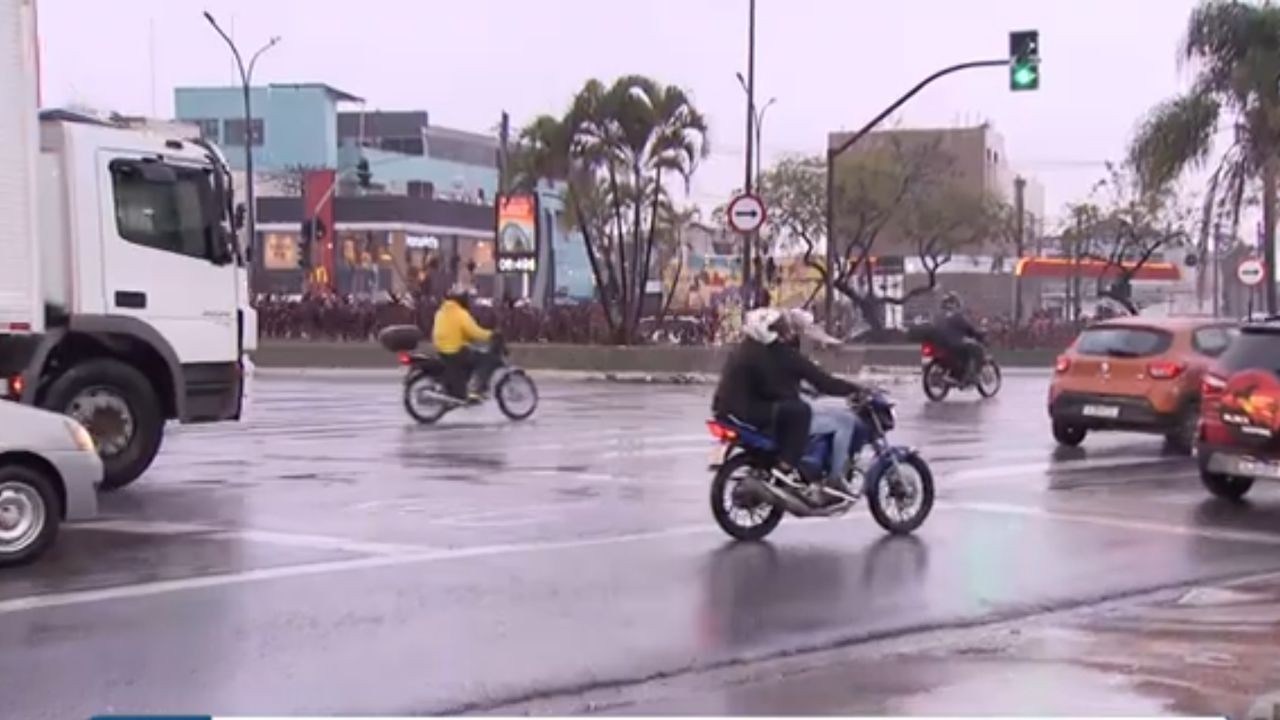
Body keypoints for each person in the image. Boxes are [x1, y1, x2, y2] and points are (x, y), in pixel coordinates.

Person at [712, 308, 866, 502]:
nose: (787, 332)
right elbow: (824, 382)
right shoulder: (779, 354)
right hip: (754, 413)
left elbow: (772, 384)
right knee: (839, 420)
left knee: (801, 409)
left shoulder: (745, 350)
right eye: (779, 328)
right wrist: (856, 389)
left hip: (727, 411)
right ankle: (831, 479)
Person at [432, 284, 501, 401]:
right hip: (454, 350)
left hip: (443, 349)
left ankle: (465, 385)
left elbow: (458, 331)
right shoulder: (460, 314)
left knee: (471, 354)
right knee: (487, 360)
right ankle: (475, 390)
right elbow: (474, 332)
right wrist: (491, 334)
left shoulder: (442, 311)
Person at [934, 292, 985, 382]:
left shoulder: (939, 315)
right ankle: (973, 375)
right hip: (955, 342)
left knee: (964, 352)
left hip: (940, 343)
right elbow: (968, 328)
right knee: (977, 349)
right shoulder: (956, 315)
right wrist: (978, 335)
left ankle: (958, 373)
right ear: (956, 303)